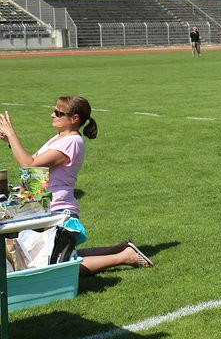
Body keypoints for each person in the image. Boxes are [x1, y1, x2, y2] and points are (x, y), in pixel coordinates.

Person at [0, 97, 153, 275]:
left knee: (55, 267)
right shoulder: (59, 138)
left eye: (58, 113)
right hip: (43, 210)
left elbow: (31, 166)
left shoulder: (72, 142)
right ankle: (120, 249)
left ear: (74, 119)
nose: (52, 115)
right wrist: (11, 142)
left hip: (57, 212)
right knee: (52, 258)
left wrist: (12, 134)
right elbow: (32, 166)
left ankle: (126, 257)